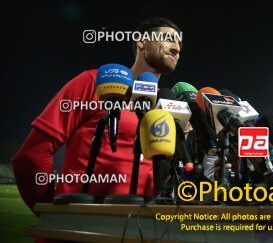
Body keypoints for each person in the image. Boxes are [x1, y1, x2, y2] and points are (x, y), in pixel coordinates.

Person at [12, 17, 182, 213]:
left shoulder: (168, 103)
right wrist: (50, 212)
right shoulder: (92, 82)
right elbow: (32, 155)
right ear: (141, 41)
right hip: (78, 227)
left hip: (141, 228)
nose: (177, 48)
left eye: (179, 43)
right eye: (169, 38)